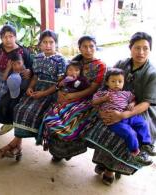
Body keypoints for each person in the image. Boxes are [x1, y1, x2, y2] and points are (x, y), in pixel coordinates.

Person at [85, 32, 156, 185]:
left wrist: (124, 115)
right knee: (102, 126)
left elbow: (146, 103)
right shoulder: (120, 64)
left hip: (138, 110)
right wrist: (102, 110)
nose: (141, 52)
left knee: (124, 135)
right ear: (130, 48)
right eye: (137, 48)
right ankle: (102, 162)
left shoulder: (152, 73)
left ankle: (112, 168)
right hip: (113, 105)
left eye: (145, 48)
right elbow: (104, 88)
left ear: (150, 50)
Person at [0, 30, 66, 159]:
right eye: (45, 42)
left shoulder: (60, 60)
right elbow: (35, 76)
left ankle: (15, 144)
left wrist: (44, 93)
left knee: (32, 112)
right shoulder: (38, 57)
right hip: (37, 88)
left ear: (56, 44)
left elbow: (60, 83)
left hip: (52, 91)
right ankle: (17, 145)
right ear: (40, 44)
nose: (48, 45)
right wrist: (30, 87)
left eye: (51, 42)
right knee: (19, 108)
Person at [38, 35, 106, 162]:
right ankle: (57, 152)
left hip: (88, 100)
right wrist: (61, 93)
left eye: (91, 46)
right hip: (69, 95)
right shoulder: (75, 61)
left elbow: (92, 89)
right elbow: (64, 80)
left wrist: (72, 96)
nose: (88, 49)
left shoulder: (100, 66)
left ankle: (67, 151)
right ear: (79, 48)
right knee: (53, 114)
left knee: (69, 118)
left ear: (96, 47)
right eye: (84, 46)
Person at [92, 68, 154, 164]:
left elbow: (134, 100)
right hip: (113, 121)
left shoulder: (126, 94)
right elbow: (94, 102)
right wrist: (103, 99)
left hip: (128, 116)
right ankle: (135, 152)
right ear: (107, 82)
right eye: (113, 81)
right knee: (130, 133)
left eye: (120, 81)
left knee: (142, 123)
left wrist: (132, 104)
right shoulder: (103, 93)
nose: (117, 83)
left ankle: (147, 144)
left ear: (124, 82)